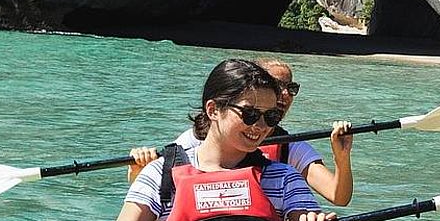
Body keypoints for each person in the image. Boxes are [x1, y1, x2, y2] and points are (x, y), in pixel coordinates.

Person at [49, 59, 350, 221]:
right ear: (213, 109)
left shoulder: (282, 178)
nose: (260, 126)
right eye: (249, 114)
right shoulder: (160, 176)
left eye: (270, 117)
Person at [131, 57, 354, 206]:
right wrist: (138, 172)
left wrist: (342, 158)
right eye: (276, 85)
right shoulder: (193, 141)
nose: (284, 94)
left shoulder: (290, 148)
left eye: (291, 88)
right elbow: (159, 191)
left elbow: (338, 196)